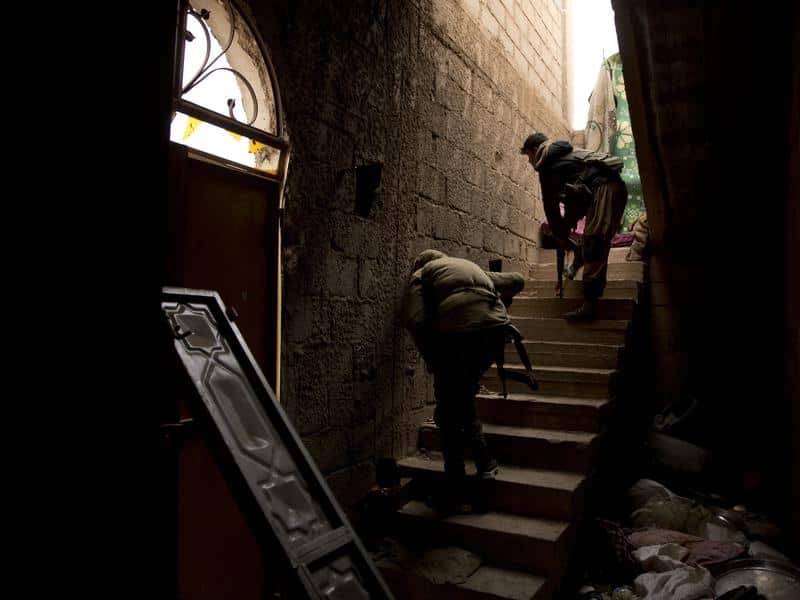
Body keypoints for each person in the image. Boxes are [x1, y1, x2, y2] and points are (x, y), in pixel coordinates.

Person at [402, 249, 527, 512]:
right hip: (494, 334)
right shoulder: (469, 266)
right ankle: (484, 470)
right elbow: (516, 280)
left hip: (460, 337)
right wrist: (500, 301)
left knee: (448, 412)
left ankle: (456, 484)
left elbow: (415, 318)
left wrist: (432, 360)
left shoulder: (421, 274)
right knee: (460, 403)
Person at [520, 132, 629, 320]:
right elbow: (576, 196)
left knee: (595, 242)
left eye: (528, 156)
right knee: (591, 239)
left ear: (535, 151)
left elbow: (551, 208)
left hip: (606, 189)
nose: (530, 162)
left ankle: (589, 306)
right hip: (610, 189)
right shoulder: (562, 157)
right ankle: (579, 259)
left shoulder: (547, 165)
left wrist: (560, 233)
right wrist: (565, 229)